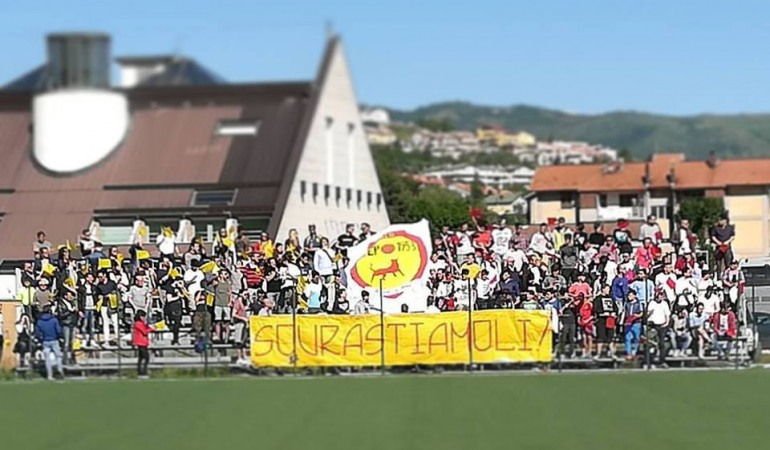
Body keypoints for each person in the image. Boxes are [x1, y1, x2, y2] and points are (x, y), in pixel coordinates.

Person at [35, 305, 63, 380]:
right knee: (58, 356)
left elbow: (37, 333)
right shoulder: (54, 320)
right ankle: (59, 371)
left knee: (47, 359)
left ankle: (49, 375)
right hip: (54, 340)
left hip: (45, 341)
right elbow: (58, 330)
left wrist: (41, 339)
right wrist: (59, 336)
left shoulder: (39, 321)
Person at [647, 292, 672, 367]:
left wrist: (666, 323)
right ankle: (650, 361)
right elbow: (648, 313)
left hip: (662, 325)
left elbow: (667, 314)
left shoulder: (664, 303)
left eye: (661, 296)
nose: (660, 298)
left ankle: (662, 361)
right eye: (658, 296)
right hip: (653, 326)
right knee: (652, 344)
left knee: (662, 344)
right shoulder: (652, 303)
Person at [593, 284, 617, 358]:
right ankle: (598, 354)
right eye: (606, 289)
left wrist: (614, 313)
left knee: (610, 337)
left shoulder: (611, 298)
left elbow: (615, 308)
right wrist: (602, 313)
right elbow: (595, 309)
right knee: (600, 337)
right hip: (601, 320)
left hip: (610, 320)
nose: (608, 290)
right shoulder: (598, 298)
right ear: (602, 289)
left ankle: (612, 354)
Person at [132, 310, 154, 379]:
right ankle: (143, 372)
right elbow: (144, 332)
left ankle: (141, 372)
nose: (144, 318)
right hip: (141, 342)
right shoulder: (138, 323)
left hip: (142, 342)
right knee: (146, 357)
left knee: (141, 358)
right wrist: (152, 329)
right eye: (143, 316)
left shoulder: (141, 323)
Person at [623, 291, 643, 360]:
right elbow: (624, 312)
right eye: (628, 296)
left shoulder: (638, 303)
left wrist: (635, 316)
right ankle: (629, 353)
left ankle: (634, 351)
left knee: (636, 338)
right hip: (628, 323)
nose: (629, 297)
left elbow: (641, 313)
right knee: (627, 338)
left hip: (636, 323)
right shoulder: (627, 303)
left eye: (630, 295)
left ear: (634, 296)